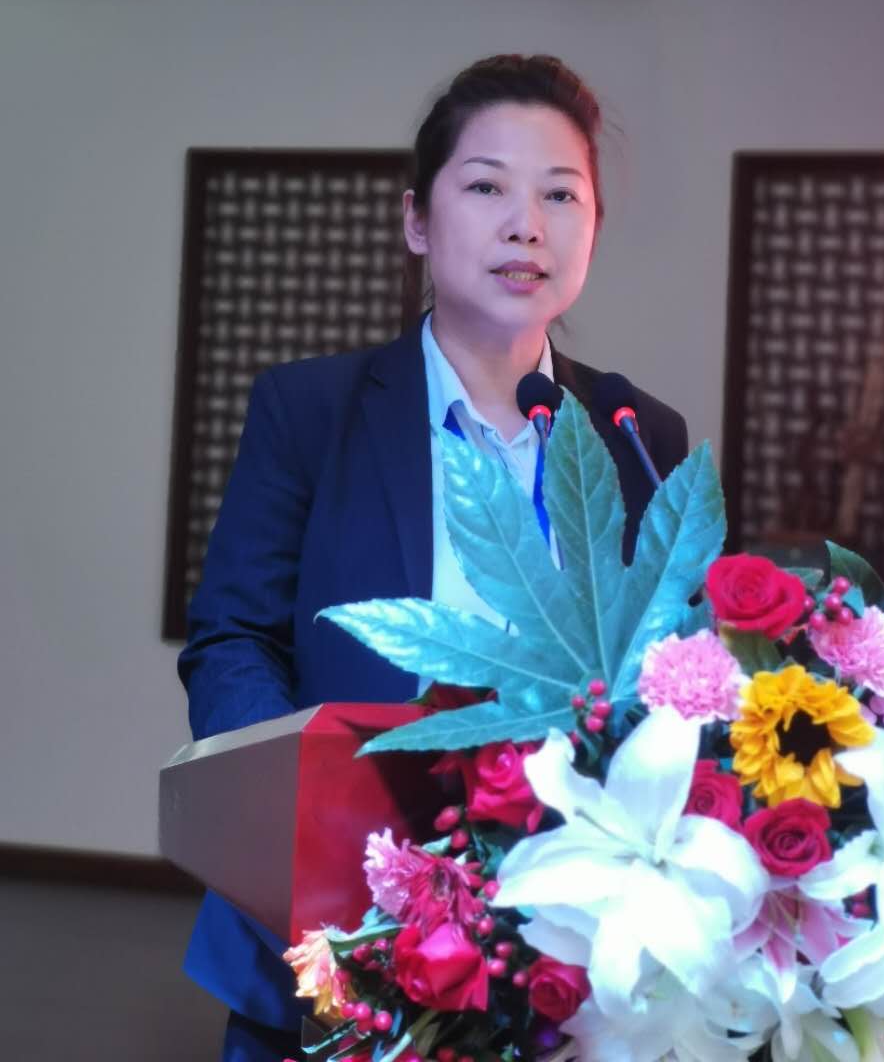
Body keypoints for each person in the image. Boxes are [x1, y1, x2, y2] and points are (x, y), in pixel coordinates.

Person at [177, 54, 690, 1062]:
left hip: (571, 946)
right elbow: (234, 638)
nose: (526, 225)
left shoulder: (637, 430)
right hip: (339, 926)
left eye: (560, 195)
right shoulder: (310, 411)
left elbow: (678, 671)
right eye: (487, 187)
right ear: (417, 219)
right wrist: (301, 819)